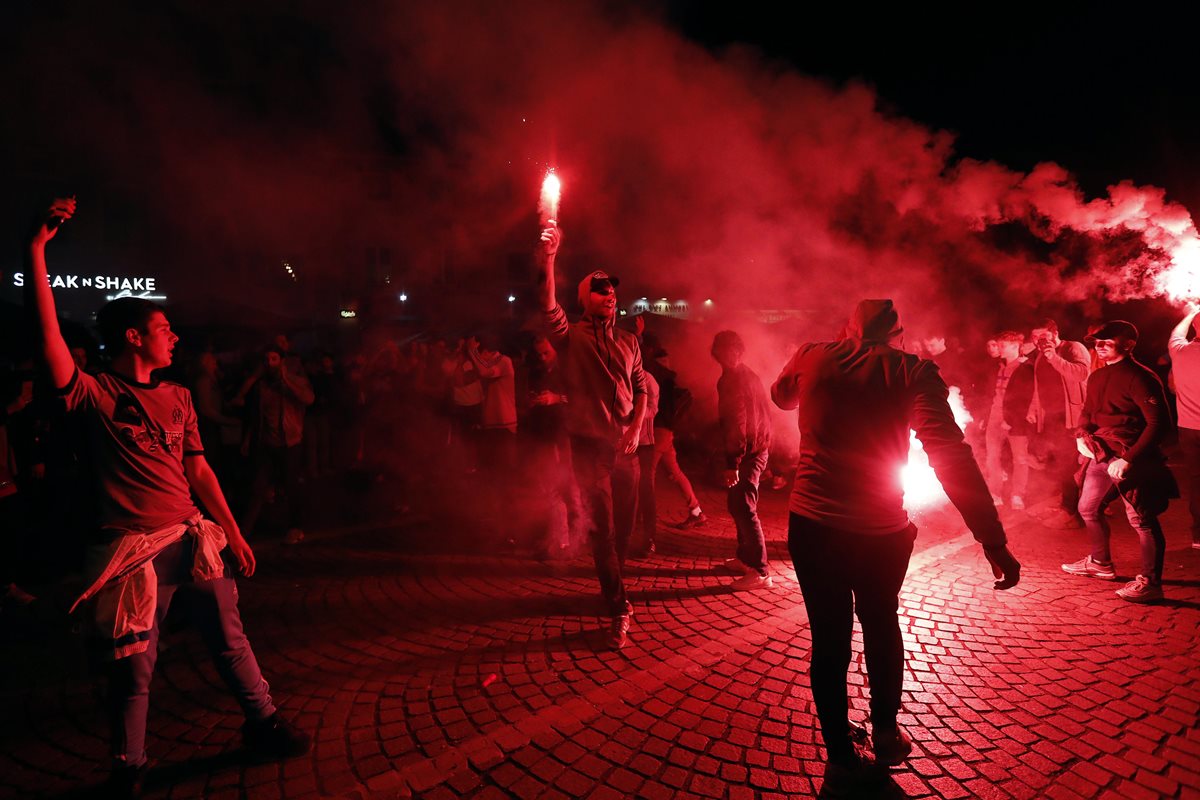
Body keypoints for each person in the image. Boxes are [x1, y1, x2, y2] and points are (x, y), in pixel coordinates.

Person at [26, 199, 309, 798]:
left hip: (188, 537)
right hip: (131, 553)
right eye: (163, 329)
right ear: (133, 337)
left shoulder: (179, 396)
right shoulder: (95, 394)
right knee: (135, 665)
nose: (174, 336)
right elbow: (49, 337)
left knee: (230, 637)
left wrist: (232, 531)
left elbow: (200, 471)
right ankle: (129, 766)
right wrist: (37, 251)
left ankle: (263, 722)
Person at [771, 299, 1019, 779]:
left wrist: (801, 372)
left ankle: (840, 752)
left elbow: (782, 398)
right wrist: (991, 538)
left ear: (848, 328)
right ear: (898, 336)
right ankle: (885, 731)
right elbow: (950, 453)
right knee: (881, 621)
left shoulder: (812, 354)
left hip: (813, 524)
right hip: (878, 531)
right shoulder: (913, 372)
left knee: (829, 640)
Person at [536, 222, 648, 650]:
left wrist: (637, 428)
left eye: (612, 289)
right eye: (600, 290)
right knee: (603, 531)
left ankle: (613, 585)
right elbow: (549, 306)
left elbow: (641, 389)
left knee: (623, 530)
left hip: (627, 447)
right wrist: (549, 259)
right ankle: (618, 606)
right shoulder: (571, 338)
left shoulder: (628, 342)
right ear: (586, 298)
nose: (609, 294)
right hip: (589, 447)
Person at [1062, 320, 1176, 602]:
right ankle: (1100, 563)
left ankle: (1150, 583)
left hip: (1130, 457)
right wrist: (1081, 435)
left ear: (1128, 344)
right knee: (1087, 507)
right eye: (1096, 343)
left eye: (1106, 342)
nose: (1099, 347)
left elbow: (1158, 423)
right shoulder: (1099, 376)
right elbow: (1088, 411)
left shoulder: (1141, 377)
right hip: (1102, 453)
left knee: (1142, 520)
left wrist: (1128, 459)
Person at [711, 330, 773, 590]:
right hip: (754, 448)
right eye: (725, 351)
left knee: (744, 506)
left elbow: (738, 422)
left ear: (740, 351)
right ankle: (745, 558)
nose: (730, 355)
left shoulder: (735, 379)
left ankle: (760, 571)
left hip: (749, 451)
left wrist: (732, 462)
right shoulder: (744, 375)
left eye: (734, 350)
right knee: (737, 504)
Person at [241, 346, 314, 544]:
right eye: (267, 359)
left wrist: (286, 380)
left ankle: (295, 527)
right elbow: (256, 416)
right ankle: (243, 533)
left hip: (291, 444)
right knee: (258, 488)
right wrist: (248, 440)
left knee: (291, 487)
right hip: (268, 443)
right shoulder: (261, 386)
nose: (270, 363)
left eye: (274, 359)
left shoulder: (296, 381)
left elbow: (308, 399)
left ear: (281, 361)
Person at [1027, 319, 1090, 527]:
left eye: (1043, 336)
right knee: (1058, 465)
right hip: (1051, 418)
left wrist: (1052, 356)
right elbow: (1040, 384)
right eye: (1035, 337)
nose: (1039, 341)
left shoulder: (1073, 347)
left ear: (1055, 334)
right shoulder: (1040, 357)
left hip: (1072, 418)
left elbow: (1081, 373)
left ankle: (1072, 513)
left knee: (1070, 466)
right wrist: (1034, 408)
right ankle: (1067, 505)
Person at [643, 343, 706, 528]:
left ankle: (645, 518)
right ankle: (697, 512)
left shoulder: (661, 379)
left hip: (659, 430)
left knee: (646, 474)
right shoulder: (669, 379)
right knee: (675, 472)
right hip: (666, 432)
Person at [983, 332, 1033, 510]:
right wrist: (986, 416)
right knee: (992, 457)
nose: (999, 349)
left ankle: (1017, 495)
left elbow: (1024, 398)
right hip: (994, 417)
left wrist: (1011, 419)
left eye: (1003, 346)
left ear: (1015, 346)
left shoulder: (1025, 367)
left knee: (1020, 459)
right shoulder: (999, 366)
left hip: (1016, 421)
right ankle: (995, 492)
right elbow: (991, 394)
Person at [1168, 305, 1200, 549]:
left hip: (1188, 430)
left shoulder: (1179, 351)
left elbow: (1176, 334)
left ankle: (1198, 535)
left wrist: (1191, 312)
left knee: (1197, 481)